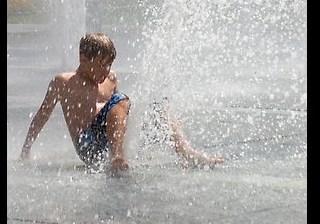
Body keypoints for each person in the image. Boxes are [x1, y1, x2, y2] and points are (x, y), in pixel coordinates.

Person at [20, 32, 224, 172]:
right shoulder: (63, 82)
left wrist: (141, 132)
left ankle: (184, 151)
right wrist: (26, 151)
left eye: (109, 65)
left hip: (108, 137)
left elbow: (121, 114)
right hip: (89, 145)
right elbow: (42, 115)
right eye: (101, 64)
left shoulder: (111, 79)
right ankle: (116, 157)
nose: (106, 71)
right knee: (121, 99)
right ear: (83, 58)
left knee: (159, 106)